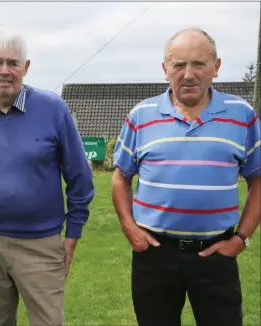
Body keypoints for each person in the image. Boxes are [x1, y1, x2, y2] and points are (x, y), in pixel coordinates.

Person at [0, 28, 96, 326]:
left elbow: (79, 178)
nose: (4, 71)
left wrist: (72, 235)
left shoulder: (53, 109)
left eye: (13, 63)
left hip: (40, 242)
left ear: (26, 68)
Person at [112, 28, 260, 326]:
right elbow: (120, 178)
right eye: (179, 65)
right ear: (165, 69)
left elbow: (258, 181)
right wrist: (129, 227)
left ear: (216, 67)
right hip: (154, 254)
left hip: (216, 255)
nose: (188, 74)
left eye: (199, 64)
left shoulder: (241, 115)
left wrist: (241, 239)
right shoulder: (141, 115)